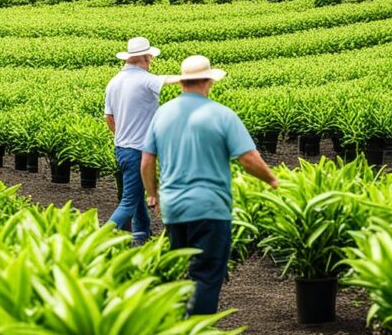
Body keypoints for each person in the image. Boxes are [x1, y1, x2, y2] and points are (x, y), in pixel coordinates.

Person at [140, 55, 279, 316]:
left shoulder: (162, 114)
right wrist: (272, 180)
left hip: (173, 209)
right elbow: (248, 158)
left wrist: (152, 194)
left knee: (183, 271)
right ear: (208, 82)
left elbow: (147, 160)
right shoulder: (222, 115)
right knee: (206, 275)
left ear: (181, 83)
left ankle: (178, 330)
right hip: (210, 208)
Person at [104, 37, 180, 244]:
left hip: (121, 148)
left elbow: (108, 119)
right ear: (146, 57)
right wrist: (199, 76)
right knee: (129, 201)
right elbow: (170, 80)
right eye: (150, 58)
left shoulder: (114, 82)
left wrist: (123, 136)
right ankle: (97, 240)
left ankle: (141, 236)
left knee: (136, 198)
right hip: (138, 151)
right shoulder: (145, 79)